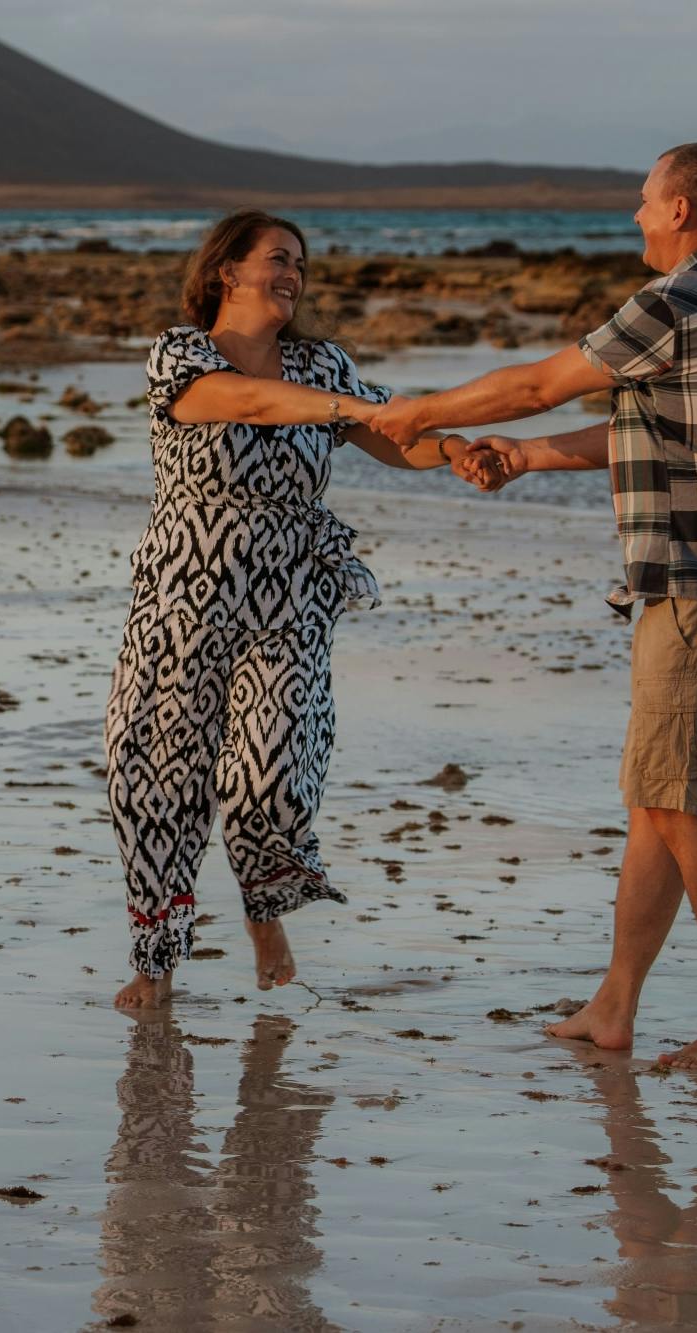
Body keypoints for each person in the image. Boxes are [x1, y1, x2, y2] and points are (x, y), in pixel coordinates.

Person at [370, 143, 697, 1068]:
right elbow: (645, 429)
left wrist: (413, 417)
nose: (636, 216)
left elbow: (540, 380)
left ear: (682, 208)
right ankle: (615, 1003)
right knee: (660, 802)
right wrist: (525, 457)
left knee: (690, 808)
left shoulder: (682, 297)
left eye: (645, 200)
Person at [108, 209, 477, 1010]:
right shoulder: (181, 354)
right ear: (225, 272)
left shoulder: (322, 364)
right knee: (157, 778)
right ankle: (157, 958)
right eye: (277, 258)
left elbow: (394, 435)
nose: (292, 274)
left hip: (291, 590)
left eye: (300, 265)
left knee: (272, 773)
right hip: (184, 590)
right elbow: (244, 403)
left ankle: (265, 907)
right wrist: (349, 408)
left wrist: (460, 451)